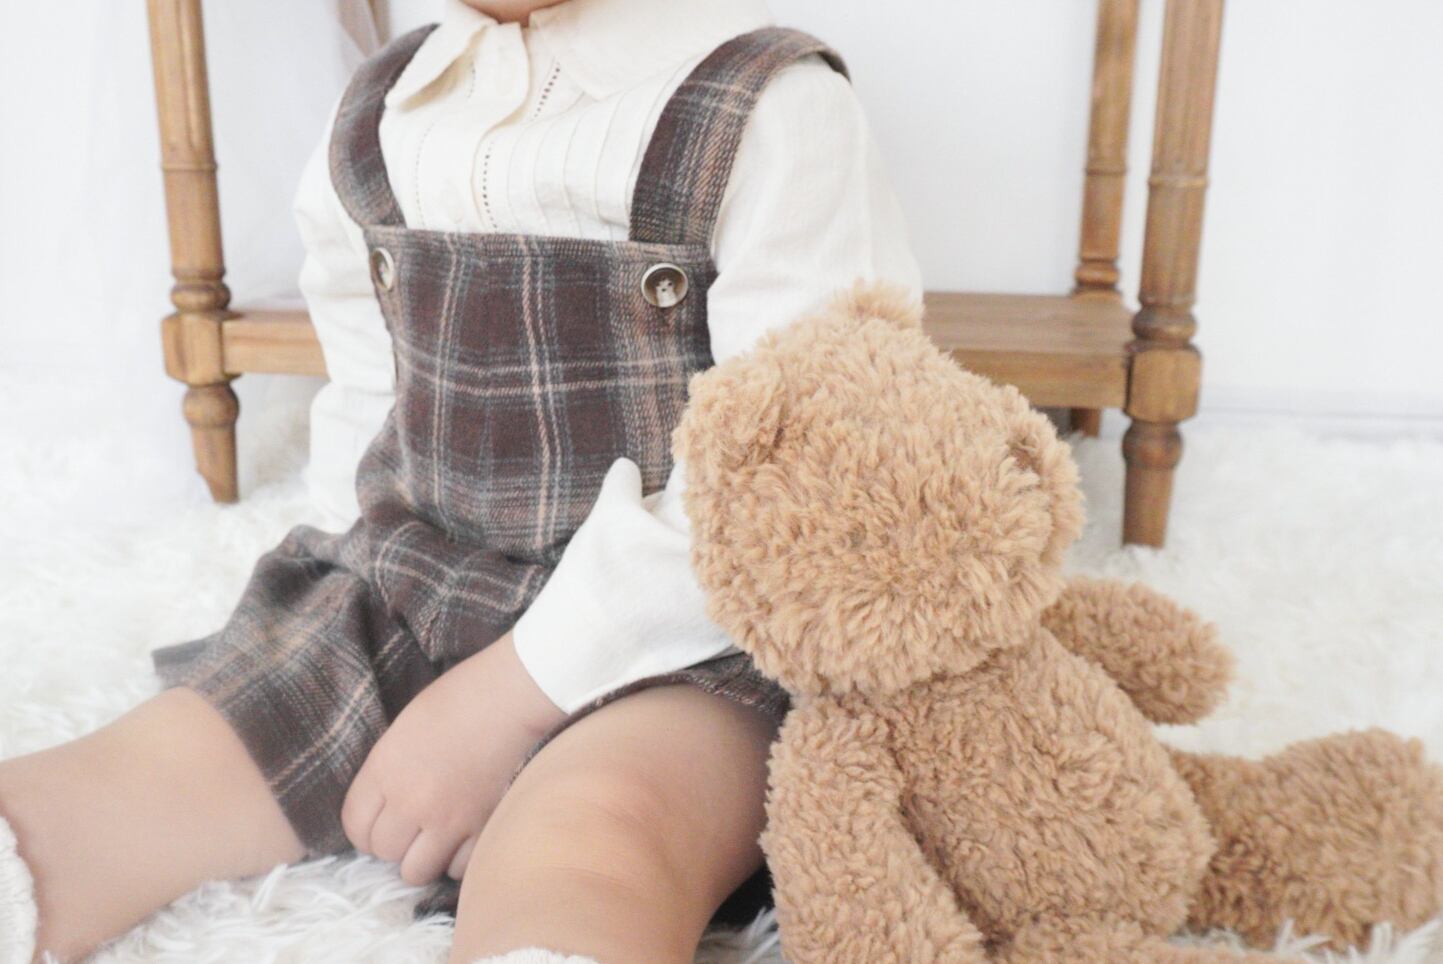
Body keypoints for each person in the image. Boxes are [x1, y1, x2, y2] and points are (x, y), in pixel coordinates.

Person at [0, 0, 919, 960]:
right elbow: (368, 388)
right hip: (418, 584)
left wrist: (506, 696)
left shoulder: (768, 107)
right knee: (161, 761)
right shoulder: (382, 109)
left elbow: (800, 483)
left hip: (686, 630)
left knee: (595, 836)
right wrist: (329, 615)